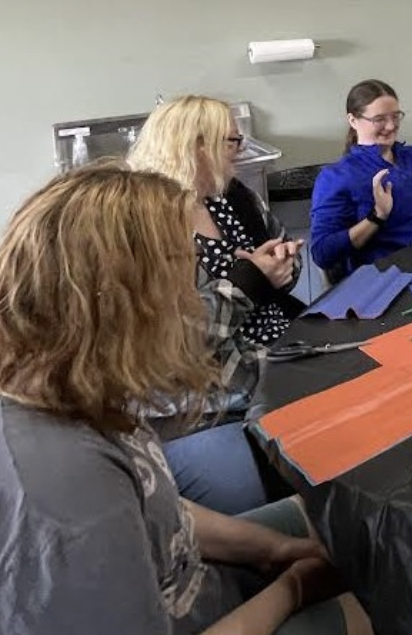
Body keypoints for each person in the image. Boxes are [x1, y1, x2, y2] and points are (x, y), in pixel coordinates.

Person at [0, 164, 369, 635]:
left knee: (355, 532)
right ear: (116, 302)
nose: (199, 302)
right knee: (387, 605)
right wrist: (291, 590)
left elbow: (153, 505)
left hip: (192, 579)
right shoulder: (56, 488)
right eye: (185, 278)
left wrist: (272, 550)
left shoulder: (62, 386)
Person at [129, 95, 299, 514]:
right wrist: (248, 282)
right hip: (207, 393)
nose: (240, 153)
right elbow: (172, 342)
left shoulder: (232, 198)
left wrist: (281, 266)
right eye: (233, 143)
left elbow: (275, 250)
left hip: (273, 353)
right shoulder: (147, 227)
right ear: (196, 144)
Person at [310, 79, 412, 279]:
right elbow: (323, 253)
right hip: (391, 278)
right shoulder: (337, 177)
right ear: (353, 120)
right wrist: (377, 216)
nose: (390, 126)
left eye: (395, 116)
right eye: (379, 119)